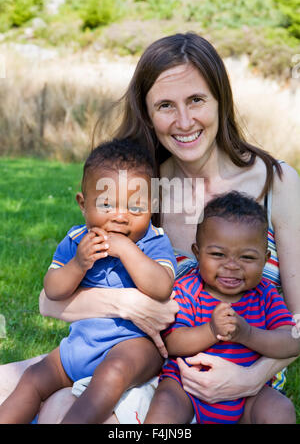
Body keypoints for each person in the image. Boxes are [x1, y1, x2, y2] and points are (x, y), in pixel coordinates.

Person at [1, 32, 300, 424]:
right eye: (165, 105)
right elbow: (48, 302)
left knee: (63, 409)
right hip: (150, 365)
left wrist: (249, 378)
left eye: (196, 100)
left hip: (235, 375)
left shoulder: (276, 182)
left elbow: (297, 318)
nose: (184, 121)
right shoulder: (138, 189)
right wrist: (127, 305)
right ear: (147, 112)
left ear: (220, 101)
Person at [0, 138, 176, 424]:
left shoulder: (153, 241)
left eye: (135, 208)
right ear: (83, 204)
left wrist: (126, 249)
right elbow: (53, 289)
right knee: (33, 378)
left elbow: (161, 286)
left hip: (134, 347)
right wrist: (78, 264)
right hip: (81, 344)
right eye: (107, 204)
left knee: (113, 372)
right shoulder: (76, 240)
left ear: (151, 208)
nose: (120, 217)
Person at [144, 191, 299, 424]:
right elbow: (173, 342)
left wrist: (247, 334)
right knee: (165, 403)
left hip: (249, 396)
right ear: (197, 253)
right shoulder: (187, 288)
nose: (232, 266)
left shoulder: (265, 294)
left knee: (279, 409)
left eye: (247, 258)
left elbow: (291, 341)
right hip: (187, 390)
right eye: (218, 254)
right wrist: (211, 330)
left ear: (265, 259)